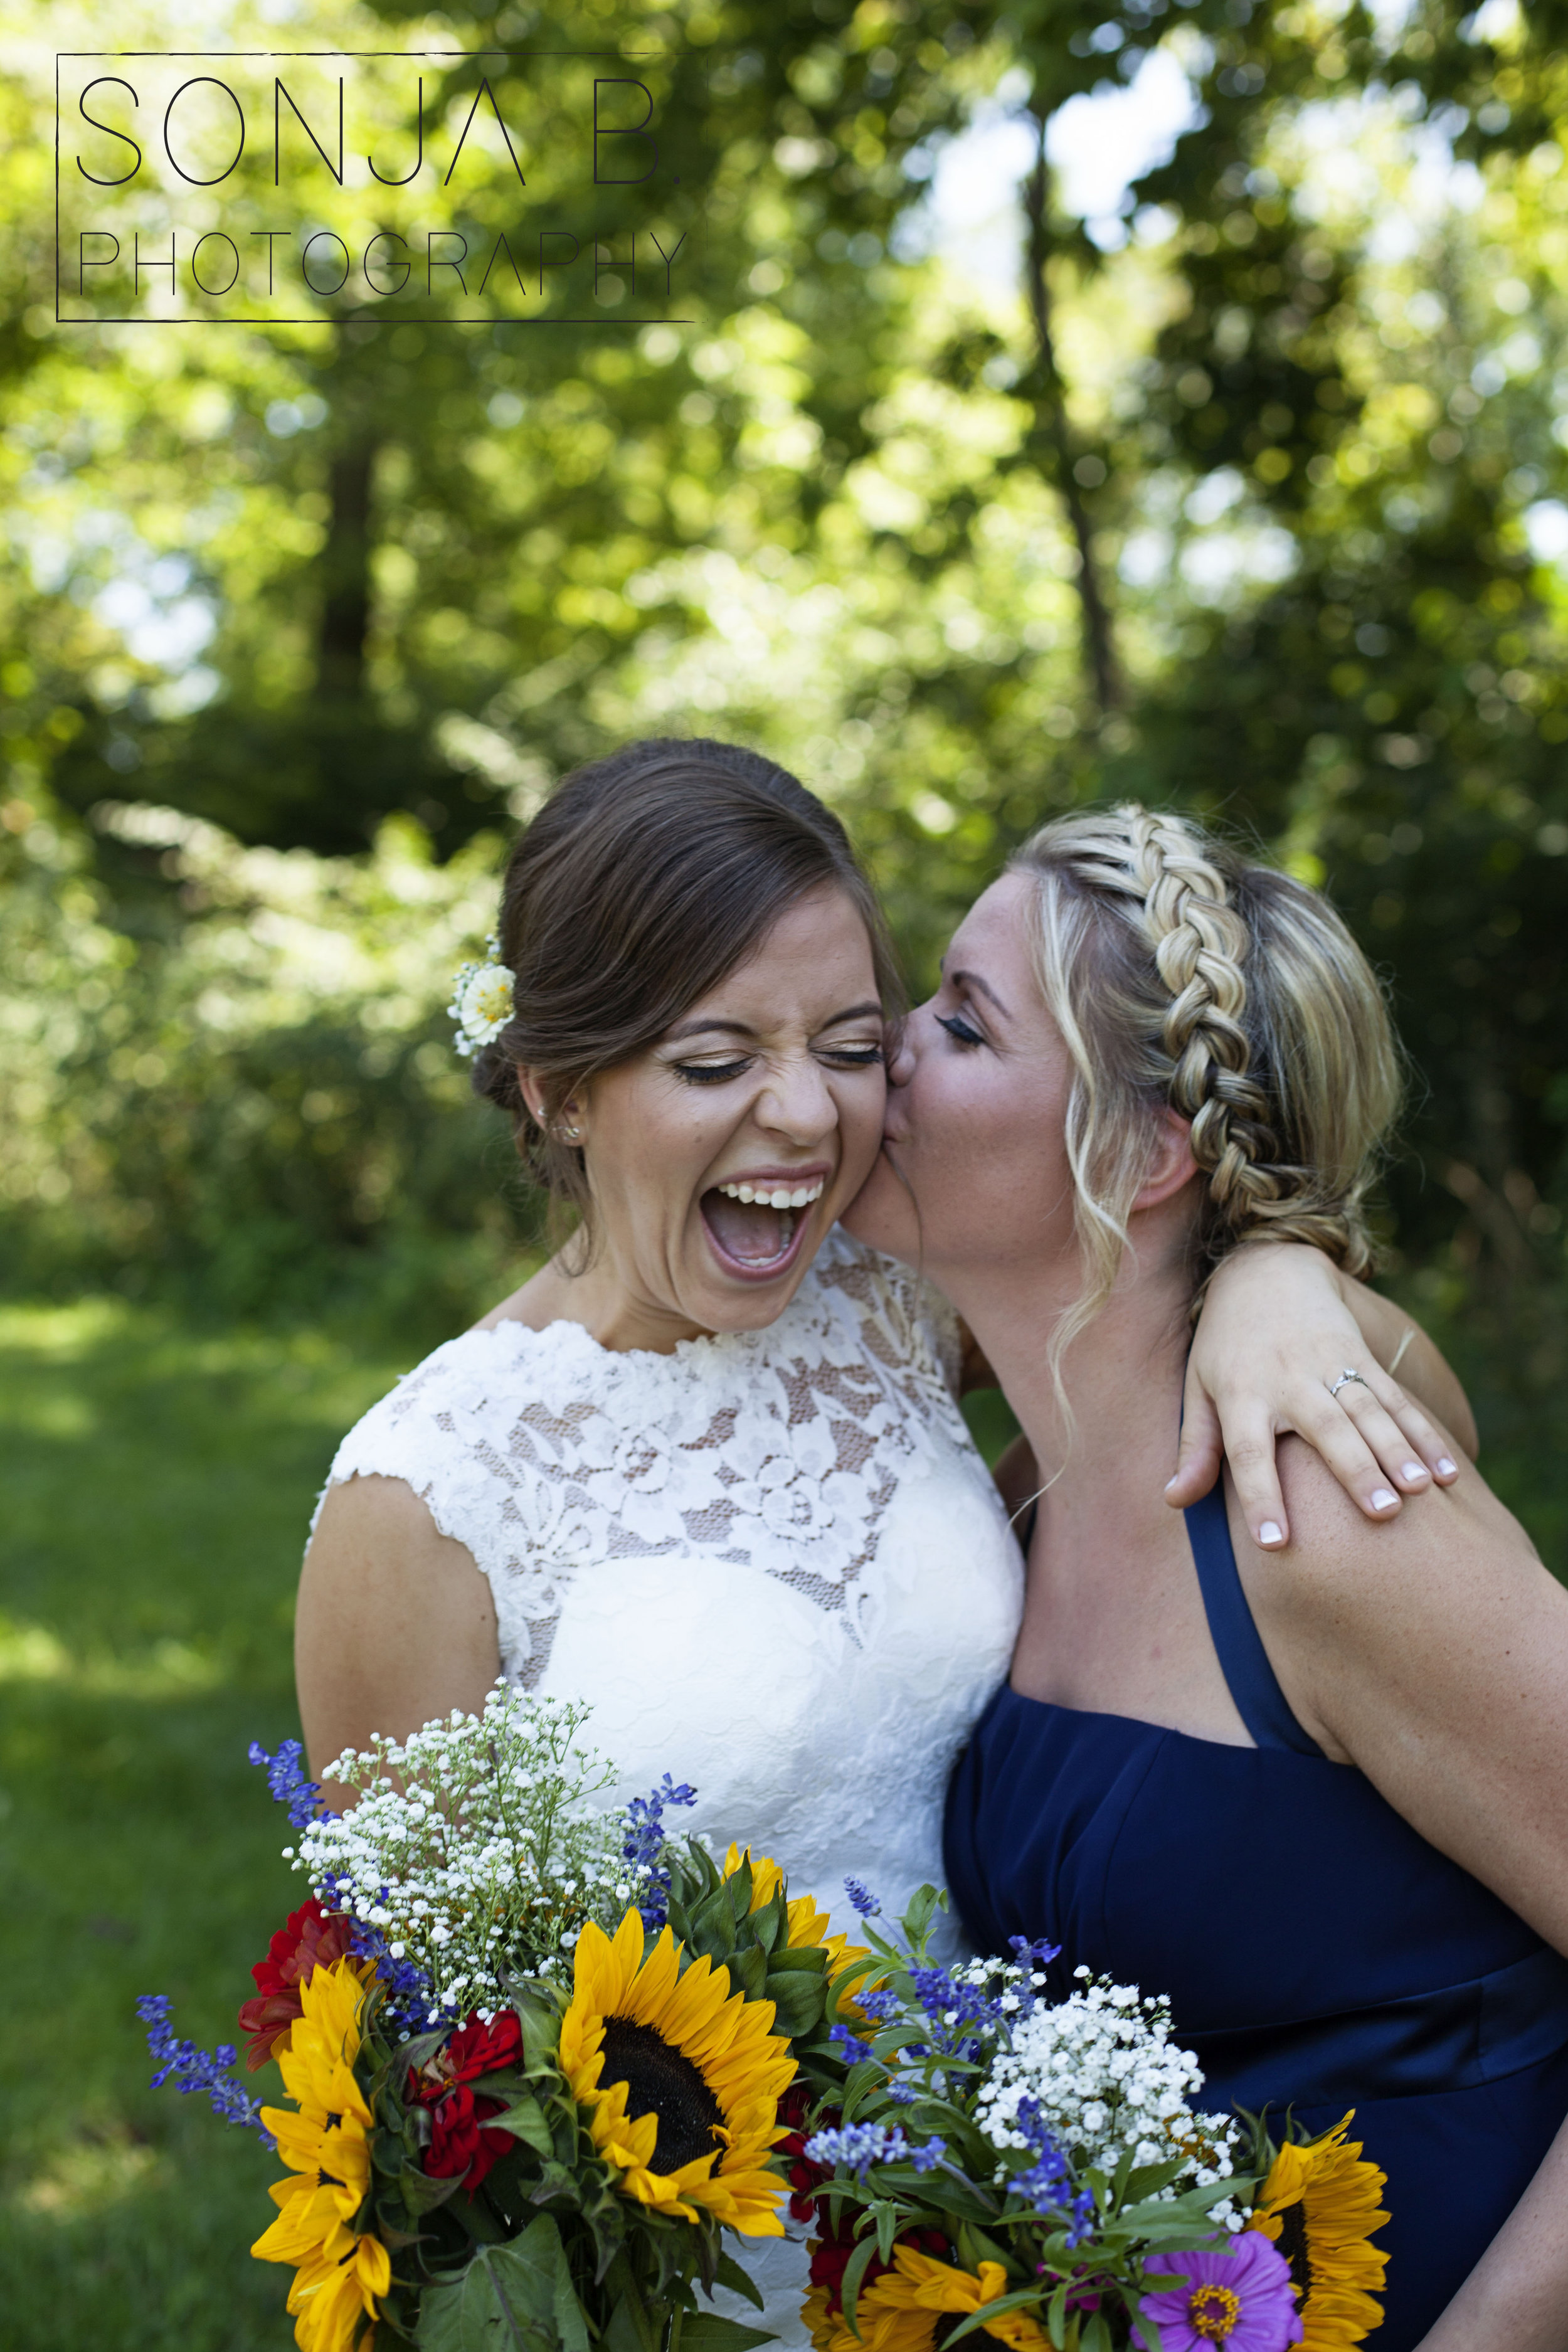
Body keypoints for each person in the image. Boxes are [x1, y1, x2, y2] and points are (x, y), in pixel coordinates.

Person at [295, 744, 1462, 2345]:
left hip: (1026, 2250)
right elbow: (435, 2095)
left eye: (852, 1045)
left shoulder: (894, 1299)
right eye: (713, 1061)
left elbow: (1159, 1276)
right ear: (557, 1085)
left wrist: (1278, 1281)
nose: (806, 1115)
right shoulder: (424, 1498)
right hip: (719, 2287)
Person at [837, 805, 1568, 2352]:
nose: (881, 1047)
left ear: (1144, 1150)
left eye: (959, 1023)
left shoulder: (1321, 1515)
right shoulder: (1018, 1484)